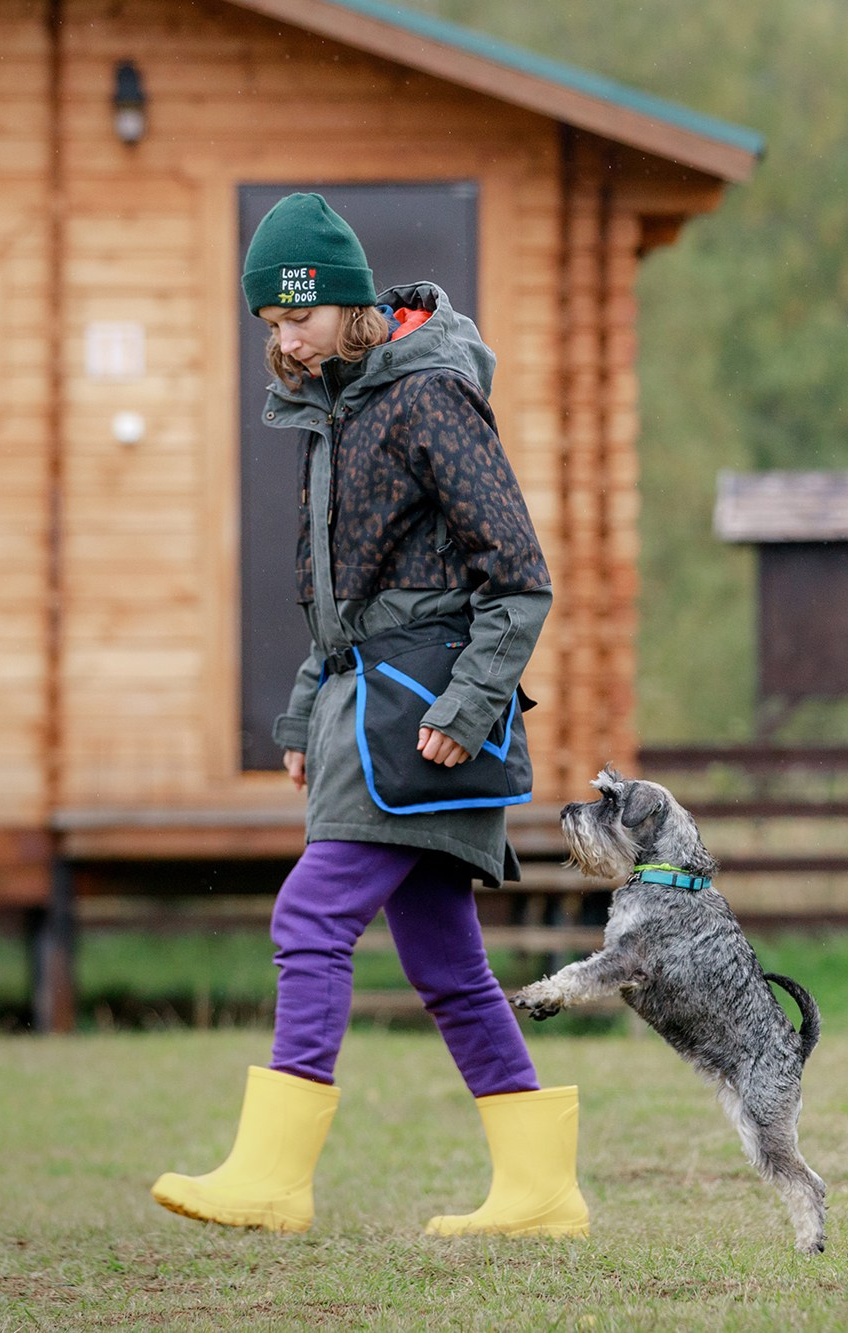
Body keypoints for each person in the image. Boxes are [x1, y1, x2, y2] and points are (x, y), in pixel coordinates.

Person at [150, 194, 587, 1239]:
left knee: (310, 917)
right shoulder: (337, 405)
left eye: (296, 318)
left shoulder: (429, 398)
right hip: (364, 713)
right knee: (444, 961)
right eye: (268, 325)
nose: (284, 341)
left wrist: (470, 702)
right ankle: (539, 1192)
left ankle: (271, 1177)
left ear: (349, 304)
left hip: (422, 723)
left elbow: (518, 577)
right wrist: (306, 712)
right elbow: (345, 594)